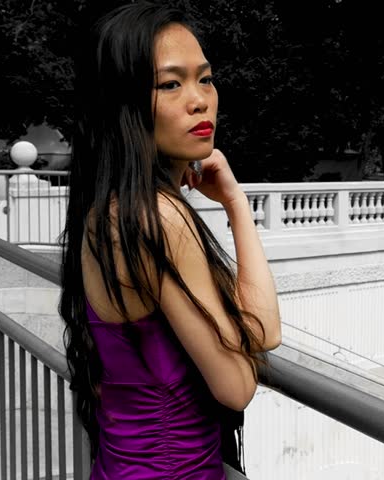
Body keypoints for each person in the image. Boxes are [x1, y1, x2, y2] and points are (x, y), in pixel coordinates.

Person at [59, 3, 281, 479]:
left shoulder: (105, 210)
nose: (199, 100)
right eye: (170, 84)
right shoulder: (159, 218)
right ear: (123, 105)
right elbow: (240, 381)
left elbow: (256, 335)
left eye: (205, 78)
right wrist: (237, 205)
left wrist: (233, 202)